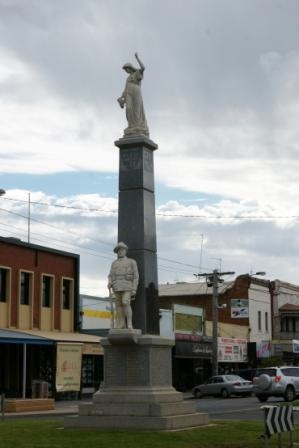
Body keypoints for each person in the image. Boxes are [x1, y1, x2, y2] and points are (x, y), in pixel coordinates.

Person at [107, 242, 139, 329]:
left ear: (125, 251)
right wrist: (109, 282)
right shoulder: (114, 263)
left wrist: (134, 289)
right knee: (118, 305)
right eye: (118, 251)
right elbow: (110, 275)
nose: (120, 252)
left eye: (122, 250)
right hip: (116, 287)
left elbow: (136, 276)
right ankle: (121, 324)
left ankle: (129, 323)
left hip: (127, 286)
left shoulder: (131, 262)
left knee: (125, 302)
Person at [117, 52, 149, 137]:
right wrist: (122, 97)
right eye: (125, 70)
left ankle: (137, 127)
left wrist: (137, 59)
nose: (126, 71)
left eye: (126, 69)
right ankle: (131, 126)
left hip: (136, 92)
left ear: (130, 68)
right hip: (128, 94)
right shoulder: (128, 78)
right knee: (129, 109)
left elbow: (143, 68)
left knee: (136, 110)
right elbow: (125, 88)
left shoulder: (137, 73)